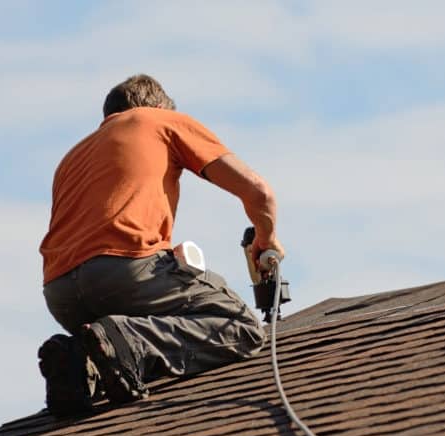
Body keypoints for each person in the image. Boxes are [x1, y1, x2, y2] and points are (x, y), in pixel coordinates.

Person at [37, 74, 284, 416]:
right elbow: (259, 192)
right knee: (239, 326)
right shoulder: (159, 120)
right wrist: (266, 238)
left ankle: (81, 364)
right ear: (156, 106)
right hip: (125, 271)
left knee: (110, 344)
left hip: (61, 293)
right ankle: (128, 341)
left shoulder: (72, 157)